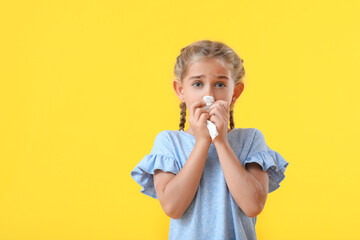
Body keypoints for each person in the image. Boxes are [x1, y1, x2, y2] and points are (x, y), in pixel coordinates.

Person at [130, 40, 289, 240]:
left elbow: (253, 206)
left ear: (235, 93)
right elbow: (172, 208)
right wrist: (202, 142)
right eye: (198, 84)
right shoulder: (168, 143)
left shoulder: (251, 140)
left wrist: (220, 142)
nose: (209, 95)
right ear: (181, 90)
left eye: (220, 84)